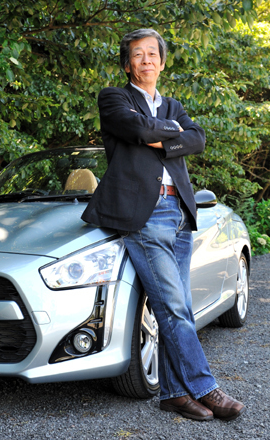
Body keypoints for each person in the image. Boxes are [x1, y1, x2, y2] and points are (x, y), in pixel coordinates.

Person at [81, 28, 245, 422]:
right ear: (127, 64)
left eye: (152, 54)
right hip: (145, 213)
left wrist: (162, 134)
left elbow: (198, 139)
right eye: (138, 54)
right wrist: (172, 134)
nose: (146, 60)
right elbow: (138, 129)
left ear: (162, 62)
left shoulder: (172, 105)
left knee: (178, 307)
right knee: (173, 306)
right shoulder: (114, 98)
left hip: (181, 212)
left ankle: (173, 394)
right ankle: (204, 387)